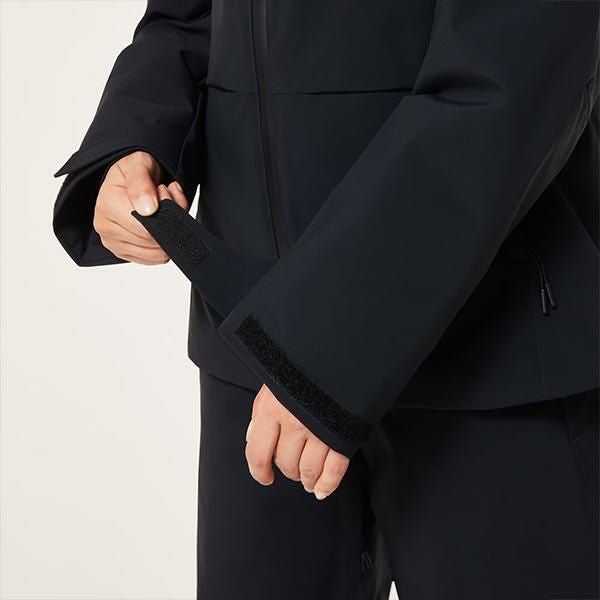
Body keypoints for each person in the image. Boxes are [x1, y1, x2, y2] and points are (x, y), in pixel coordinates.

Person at [53, 1, 599, 598]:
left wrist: (321, 344)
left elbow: (516, 65)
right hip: (257, 355)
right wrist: (134, 138)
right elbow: (188, 16)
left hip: (490, 351)